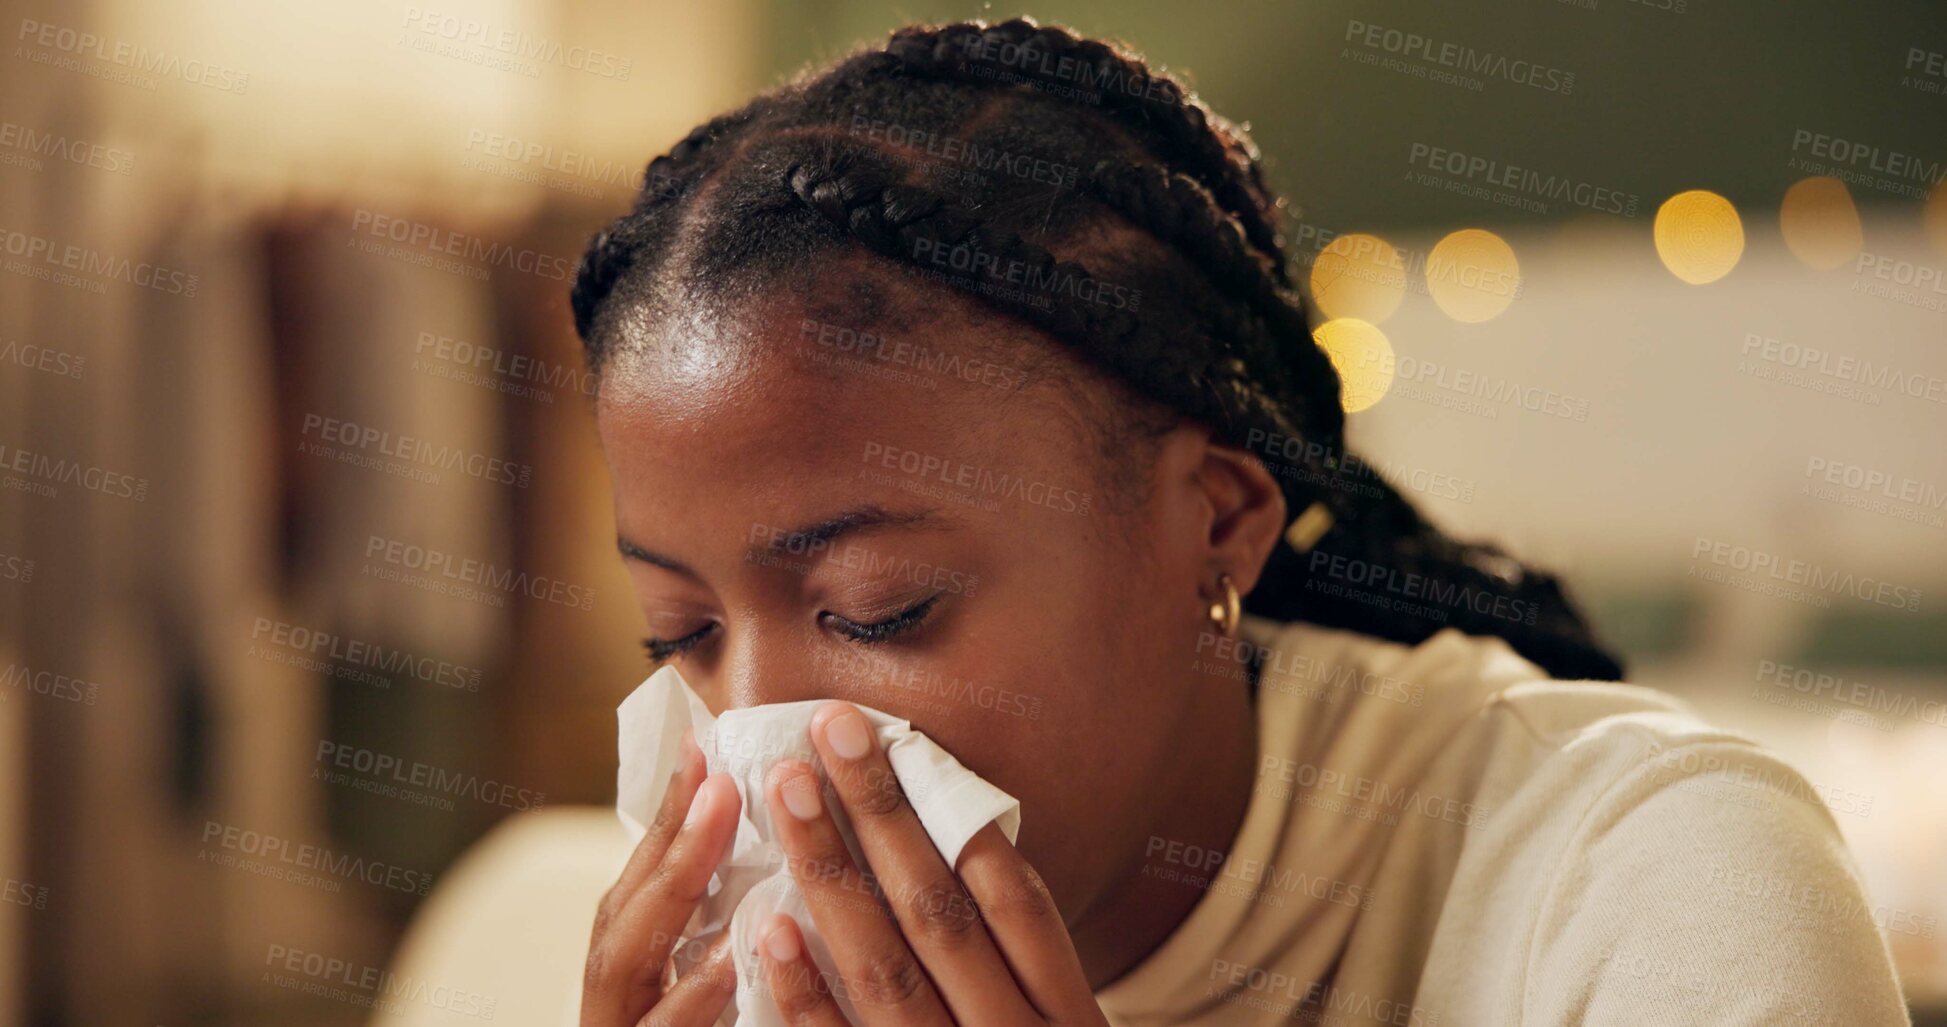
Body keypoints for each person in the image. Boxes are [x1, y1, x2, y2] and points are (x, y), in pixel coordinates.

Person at [569, 18, 1910, 1026]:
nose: (752, 745)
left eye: (878, 608)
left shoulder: (1653, 887)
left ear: (1215, 527)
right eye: (675, 635)